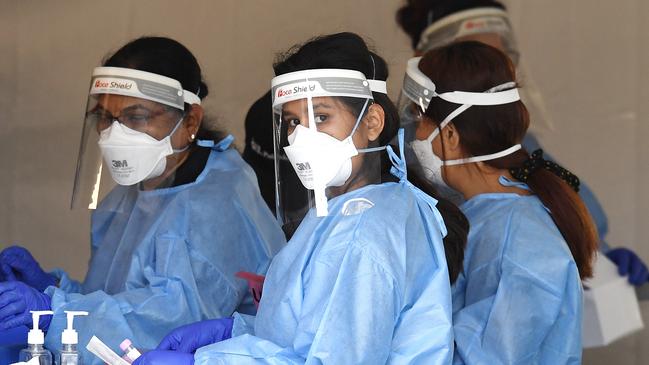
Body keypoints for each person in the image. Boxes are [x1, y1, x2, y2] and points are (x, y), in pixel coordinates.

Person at [133, 32, 469, 365]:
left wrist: (208, 363)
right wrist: (233, 334)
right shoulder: (363, 208)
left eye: (321, 117)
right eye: (293, 121)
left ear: (372, 123)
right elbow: (312, 332)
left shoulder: (362, 230)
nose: (301, 137)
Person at [0, 36, 286, 363]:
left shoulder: (215, 206)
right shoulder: (133, 192)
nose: (114, 133)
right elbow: (117, 300)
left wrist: (57, 313)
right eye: (106, 117)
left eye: (136, 116)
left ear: (190, 121)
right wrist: (53, 289)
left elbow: (168, 322)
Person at [395, 0, 649, 286]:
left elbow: (567, 217)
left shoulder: (520, 169)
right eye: (475, 63)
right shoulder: (399, 159)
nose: (495, 77)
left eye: (499, 61)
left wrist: (603, 257)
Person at [401, 40, 599, 364]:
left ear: (450, 135)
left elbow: (482, 357)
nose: (416, 134)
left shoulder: (520, 240)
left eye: (419, 118)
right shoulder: (487, 213)